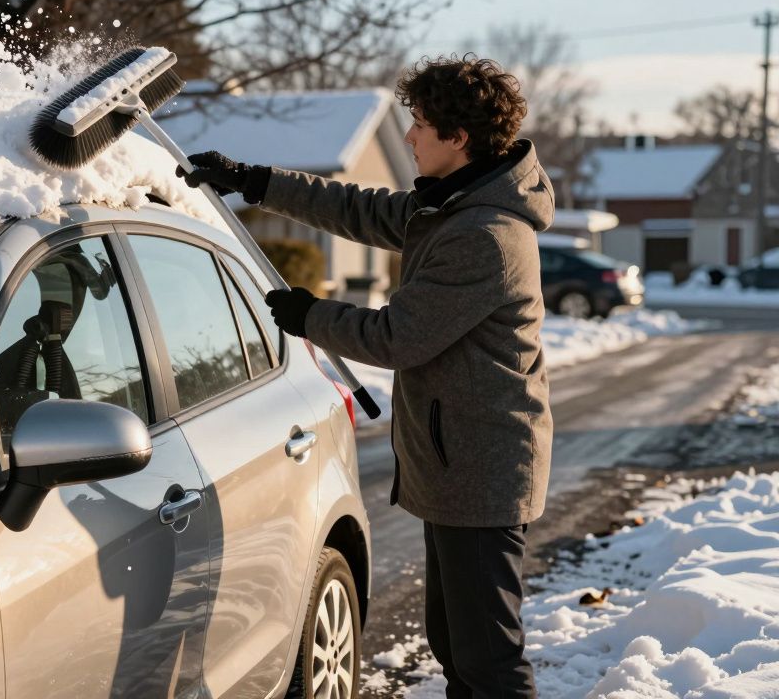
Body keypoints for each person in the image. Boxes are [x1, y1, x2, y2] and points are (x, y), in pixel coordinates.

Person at [179, 55, 553, 698]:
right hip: (456, 461)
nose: (408, 136)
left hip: (481, 465)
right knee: (458, 652)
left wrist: (309, 315)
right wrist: (255, 180)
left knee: (487, 661)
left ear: (457, 138)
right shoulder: (453, 206)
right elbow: (356, 207)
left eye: (420, 125)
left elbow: (398, 337)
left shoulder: (484, 237)